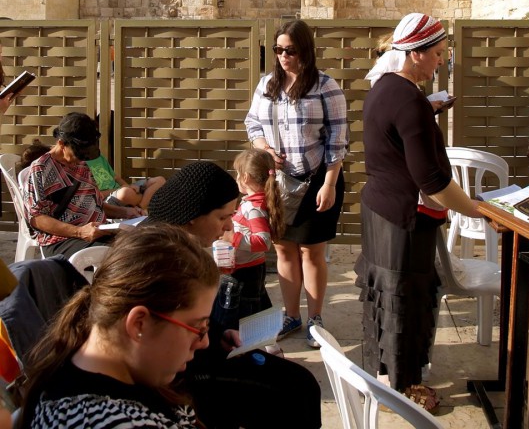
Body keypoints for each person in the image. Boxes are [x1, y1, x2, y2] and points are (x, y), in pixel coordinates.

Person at [355, 13, 481, 412]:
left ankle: (382, 376)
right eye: (438, 54)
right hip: (404, 217)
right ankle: (402, 390)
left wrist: (427, 112)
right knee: (403, 301)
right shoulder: (408, 100)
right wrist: (476, 210)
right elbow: (432, 181)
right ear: (415, 54)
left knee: (385, 297)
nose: (441, 61)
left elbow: (395, 134)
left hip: (380, 207)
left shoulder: (385, 88)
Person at [148, 160, 322, 429]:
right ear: (193, 215)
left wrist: (219, 335)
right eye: (222, 217)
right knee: (297, 389)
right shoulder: (161, 260)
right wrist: (209, 343)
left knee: (300, 383)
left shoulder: (179, 246)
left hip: (204, 360)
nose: (229, 226)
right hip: (181, 379)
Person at [16, 224, 219, 429]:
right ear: (139, 323)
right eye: (198, 328)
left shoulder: (75, 373)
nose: (204, 342)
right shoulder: (110, 422)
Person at [244, 19, 348, 347]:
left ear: (305, 50)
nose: (283, 56)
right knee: (284, 250)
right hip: (278, 182)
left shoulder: (325, 87)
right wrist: (264, 149)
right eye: (278, 50)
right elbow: (252, 124)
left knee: (312, 252)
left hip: (318, 179)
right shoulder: (267, 86)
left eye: (290, 50)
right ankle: (291, 315)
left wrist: (329, 184)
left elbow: (338, 141)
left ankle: (315, 319)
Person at [24, 112, 142, 258]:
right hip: (62, 240)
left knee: (147, 245)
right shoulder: (41, 169)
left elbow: (94, 203)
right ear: (61, 144)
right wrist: (79, 232)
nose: (80, 160)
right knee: (124, 257)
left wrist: (125, 213)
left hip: (97, 232)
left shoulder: (83, 165)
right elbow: (37, 219)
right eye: (77, 155)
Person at [223, 149, 286, 318]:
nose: (235, 177)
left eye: (237, 173)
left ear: (245, 177)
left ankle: (257, 342)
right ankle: (271, 343)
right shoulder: (253, 202)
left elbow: (264, 241)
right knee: (261, 309)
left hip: (247, 272)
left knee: (248, 313)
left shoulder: (254, 208)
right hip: (250, 268)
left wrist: (233, 238)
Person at [86, 151, 166, 211]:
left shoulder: (99, 157)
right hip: (109, 199)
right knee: (126, 193)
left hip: (121, 190)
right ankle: (144, 203)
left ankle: (140, 208)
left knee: (160, 181)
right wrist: (122, 189)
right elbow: (97, 195)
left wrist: (129, 186)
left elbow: (116, 178)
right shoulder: (81, 165)